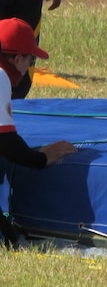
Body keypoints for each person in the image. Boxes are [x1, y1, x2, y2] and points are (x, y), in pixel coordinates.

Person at [0, 17, 76, 241]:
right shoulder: (1, 76)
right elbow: (6, 143)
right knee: (10, 241)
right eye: (30, 60)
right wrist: (41, 158)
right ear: (16, 59)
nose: (29, 67)